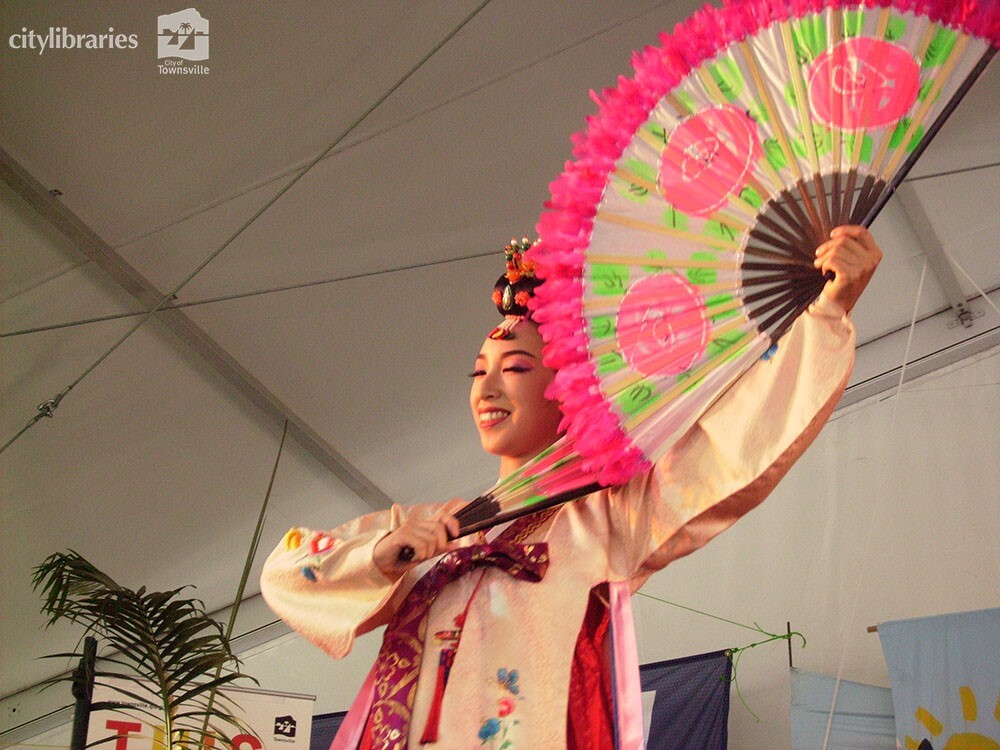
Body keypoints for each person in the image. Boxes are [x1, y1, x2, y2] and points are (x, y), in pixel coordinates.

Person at [260, 227, 882, 750]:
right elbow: (287, 572)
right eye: (480, 373)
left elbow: (730, 449)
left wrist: (827, 313)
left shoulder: (607, 517)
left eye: (517, 370)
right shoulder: (429, 526)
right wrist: (380, 554)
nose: (487, 389)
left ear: (570, 392)